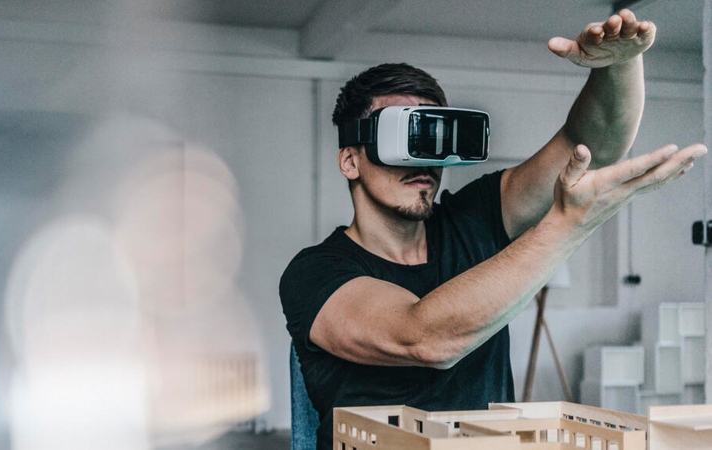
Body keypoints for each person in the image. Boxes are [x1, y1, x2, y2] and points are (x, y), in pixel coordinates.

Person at [279, 9, 707, 449]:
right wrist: (569, 225)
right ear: (351, 160)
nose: (424, 161)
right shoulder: (314, 274)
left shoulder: (476, 217)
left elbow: (591, 146)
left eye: (434, 139)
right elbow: (425, 338)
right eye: (404, 140)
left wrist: (618, 66)